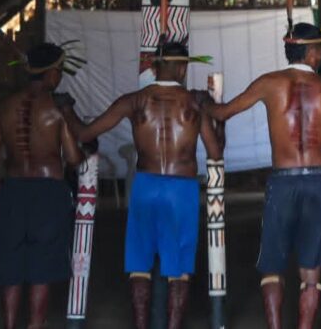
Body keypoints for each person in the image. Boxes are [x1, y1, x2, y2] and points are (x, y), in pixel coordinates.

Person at [61, 41, 222, 329]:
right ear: (182, 68)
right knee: (179, 270)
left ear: (154, 67)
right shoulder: (194, 103)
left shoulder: (134, 101)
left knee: (139, 265)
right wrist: (215, 118)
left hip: (145, 186)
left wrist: (66, 108)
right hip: (181, 190)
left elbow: (84, 133)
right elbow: (215, 152)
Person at [203, 22, 321, 329]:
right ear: (309, 52)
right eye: (319, 50)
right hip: (319, 181)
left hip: (283, 181)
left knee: (272, 267)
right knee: (311, 273)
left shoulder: (269, 83)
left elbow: (223, 112)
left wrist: (201, 102)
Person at [0, 42, 83, 329]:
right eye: (59, 71)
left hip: (13, 191)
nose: (59, 76)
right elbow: (73, 158)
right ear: (51, 73)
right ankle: (35, 325)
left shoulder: (4, 107)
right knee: (42, 266)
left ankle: (10, 325)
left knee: (11, 266)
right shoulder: (57, 109)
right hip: (48, 193)